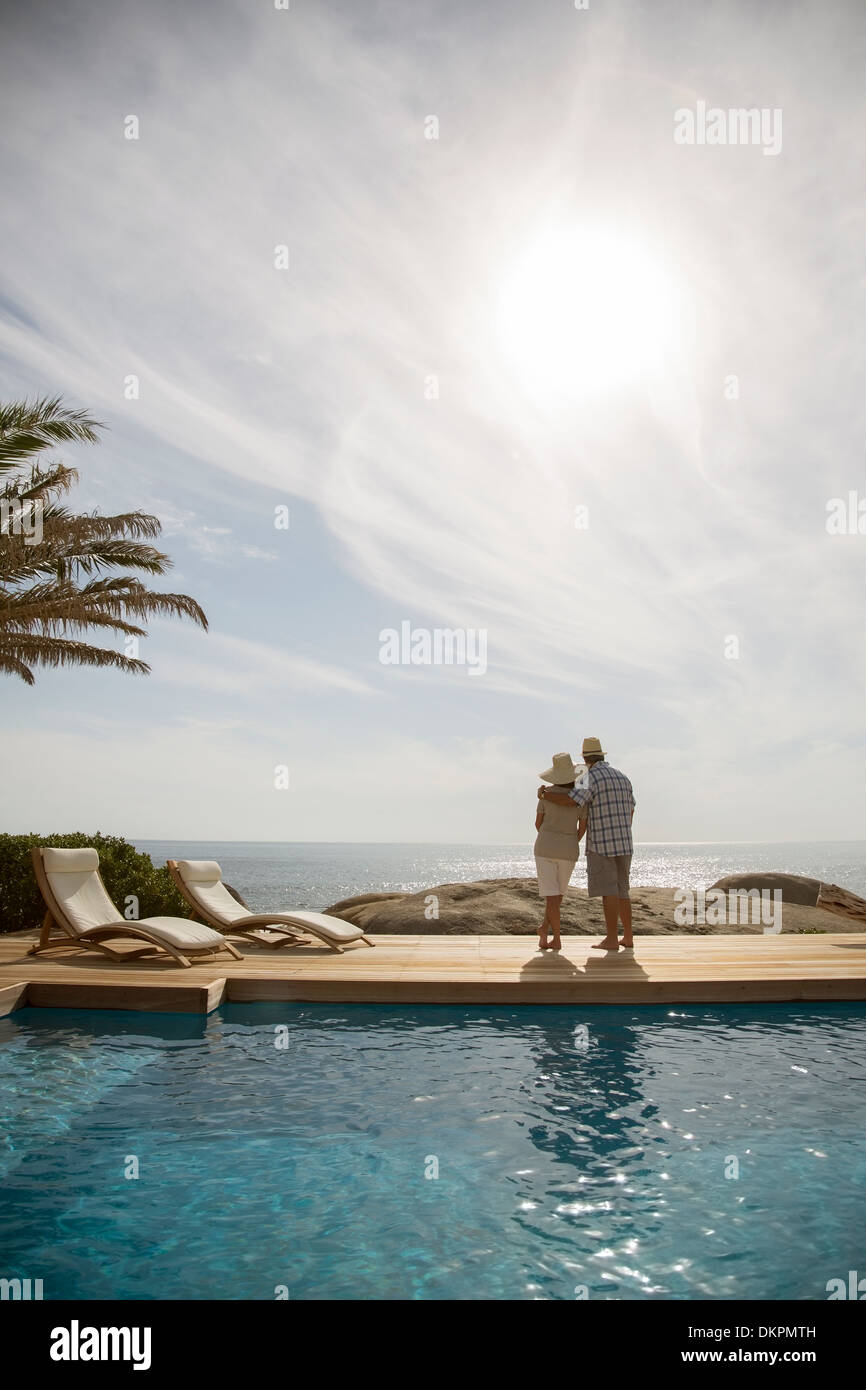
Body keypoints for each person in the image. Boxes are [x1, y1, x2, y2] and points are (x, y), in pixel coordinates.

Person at [538, 737, 635, 951]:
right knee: (623, 890)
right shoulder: (622, 777)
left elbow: (572, 800)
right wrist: (623, 829)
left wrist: (545, 795)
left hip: (602, 843)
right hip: (625, 842)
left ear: (585, 758)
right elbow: (631, 809)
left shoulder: (587, 776)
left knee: (609, 890)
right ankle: (627, 937)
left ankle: (611, 939)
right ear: (601, 755)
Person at [534, 751, 587, 951]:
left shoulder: (546, 795)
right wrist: (570, 840)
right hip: (568, 849)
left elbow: (537, 823)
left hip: (545, 847)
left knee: (552, 897)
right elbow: (582, 828)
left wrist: (550, 836)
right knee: (557, 897)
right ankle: (552, 936)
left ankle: (546, 931)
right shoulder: (580, 798)